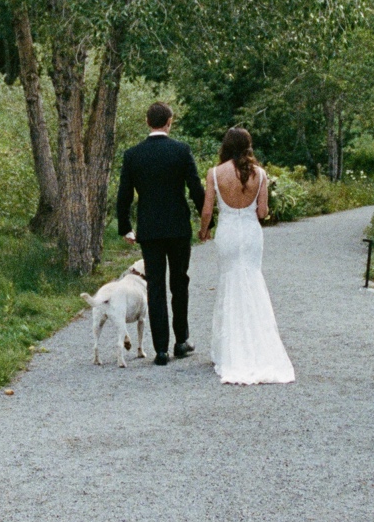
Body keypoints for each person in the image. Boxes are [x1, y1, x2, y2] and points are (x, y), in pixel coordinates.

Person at [197, 125, 295, 386]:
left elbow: (207, 210)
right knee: (252, 281)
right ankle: (259, 346)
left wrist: (203, 231)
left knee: (229, 283)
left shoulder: (215, 173)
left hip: (227, 232)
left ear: (226, 146)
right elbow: (262, 213)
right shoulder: (259, 174)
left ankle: (229, 350)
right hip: (251, 235)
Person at [116, 103, 205, 366]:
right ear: (169, 122)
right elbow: (195, 188)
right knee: (180, 283)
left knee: (155, 286)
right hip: (178, 228)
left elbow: (124, 195)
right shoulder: (181, 151)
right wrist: (206, 222)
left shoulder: (133, 155)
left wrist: (126, 227)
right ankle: (181, 341)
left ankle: (160, 350)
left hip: (150, 229)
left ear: (147, 122)